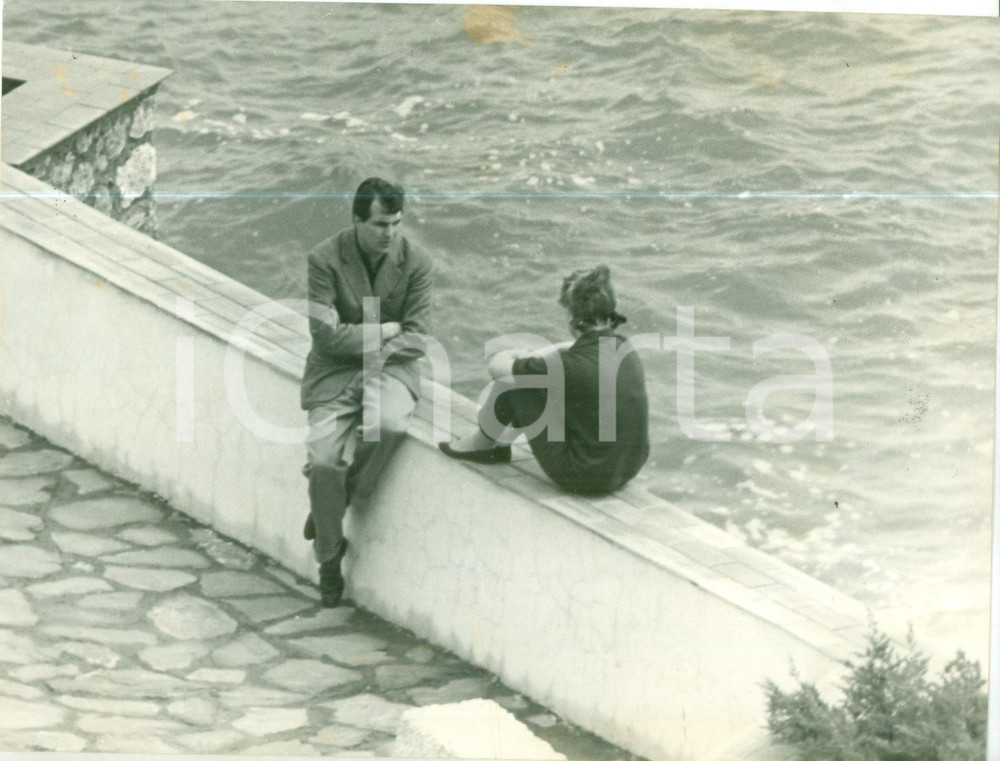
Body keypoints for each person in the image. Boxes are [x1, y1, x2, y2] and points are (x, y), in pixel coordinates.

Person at [300, 177, 431, 607]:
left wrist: (376, 339)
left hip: (393, 368)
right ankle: (329, 559)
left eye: (396, 223)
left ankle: (328, 512)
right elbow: (324, 337)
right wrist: (385, 328)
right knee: (323, 460)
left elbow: (417, 338)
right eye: (380, 225)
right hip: (334, 373)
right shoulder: (323, 259)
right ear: (357, 221)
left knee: (390, 425)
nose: (390, 234)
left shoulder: (416, 262)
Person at [440, 265, 649, 495]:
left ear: (572, 317)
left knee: (515, 383)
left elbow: (496, 367)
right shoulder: (623, 347)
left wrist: (522, 355)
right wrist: (537, 358)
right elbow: (572, 350)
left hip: (586, 477)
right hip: (628, 469)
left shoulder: (566, 365)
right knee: (544, 382)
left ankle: (481, 445)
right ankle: (501, 443)